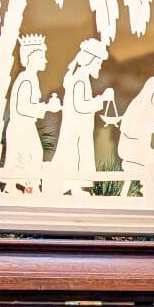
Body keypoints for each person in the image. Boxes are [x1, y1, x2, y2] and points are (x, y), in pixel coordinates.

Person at [51, 39, 114, 195]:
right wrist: (102, 99)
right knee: (74, 156)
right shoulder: (79, 80)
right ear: (90, 61)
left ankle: (75, 187)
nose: (99, 66)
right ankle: (71, 187)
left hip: (80, 129)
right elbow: (81, 106)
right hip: (76, 130)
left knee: (77, 156)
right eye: (98, 62)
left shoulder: (80, 79)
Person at [4, 34, 61, 191]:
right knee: (27, 157)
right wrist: (47, 107)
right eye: (42, 56)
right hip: (21, 127)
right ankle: (18, 187)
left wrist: (47, 107)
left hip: (25, 127)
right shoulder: (26, 79)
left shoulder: (30, 78)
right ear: (31, 57)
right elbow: (22, 108)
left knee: (31, 156)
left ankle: (25, 187)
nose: (45, 60)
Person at [118, 76, 154, 197]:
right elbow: (135, 130)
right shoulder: (142, 106)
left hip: (137, 148)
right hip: (132, 149)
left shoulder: (146, 106)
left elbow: (144, 129)